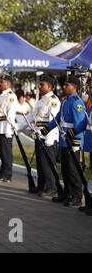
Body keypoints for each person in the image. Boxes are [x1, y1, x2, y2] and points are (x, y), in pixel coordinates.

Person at [40, 75, 86, 207]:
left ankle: (76, 196)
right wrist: (45, 130)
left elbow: (80, 124)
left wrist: (73, 138)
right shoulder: (66, 101)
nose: (64, 87)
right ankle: (67, 193)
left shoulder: (77, 102)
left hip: (73, 141)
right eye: (64, 85)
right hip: (64, 140)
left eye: (67, 85)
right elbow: (59, 118)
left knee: (73, 170)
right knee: (65, 169)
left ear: (75, 87)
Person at [20, 75, 60, 196]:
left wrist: (47, 136)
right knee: (40, 163)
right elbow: (32, 117)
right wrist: (17, 127)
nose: (39, 86)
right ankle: (42, 185)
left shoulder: (53, 100)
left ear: (50, 86)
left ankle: (51, 187)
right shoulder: (41, 100)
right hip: (38, 135)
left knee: (47, 163)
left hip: (48, 136)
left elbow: (53, 121)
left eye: (42, 84)